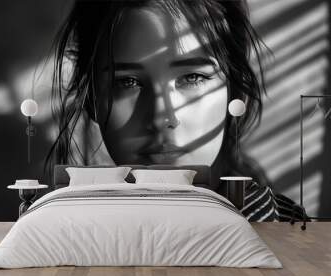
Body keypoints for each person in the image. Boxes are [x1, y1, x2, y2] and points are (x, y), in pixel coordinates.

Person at [46, 0, 304, 222]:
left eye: (192, 77)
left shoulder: (285, 227)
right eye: (127, 82)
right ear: (92, 99)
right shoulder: (66, 232)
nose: (163, 117)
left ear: (233, 90)